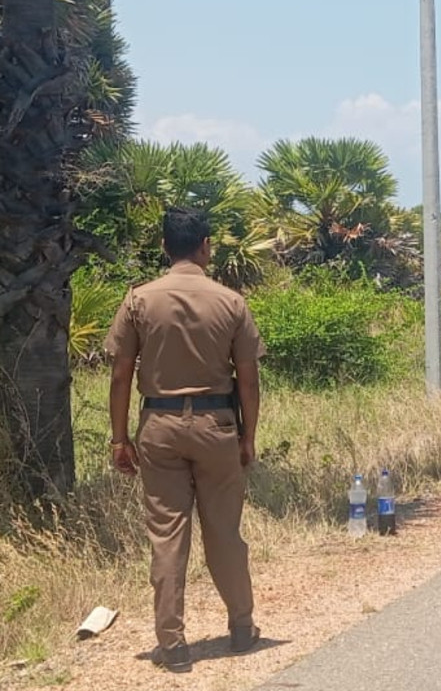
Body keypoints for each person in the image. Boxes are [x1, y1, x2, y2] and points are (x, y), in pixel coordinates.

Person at [103, 206, 264, 673]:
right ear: (205, 246)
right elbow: (249, 380)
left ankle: (172, 644)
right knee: (224, 533)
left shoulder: (138, 300)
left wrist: (119, 439)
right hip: (217, 427)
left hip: (159, 426)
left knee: (168, 537)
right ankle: (241, 627)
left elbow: (119, 375)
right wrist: (247, 436)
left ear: (163, 247)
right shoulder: (231, 302)